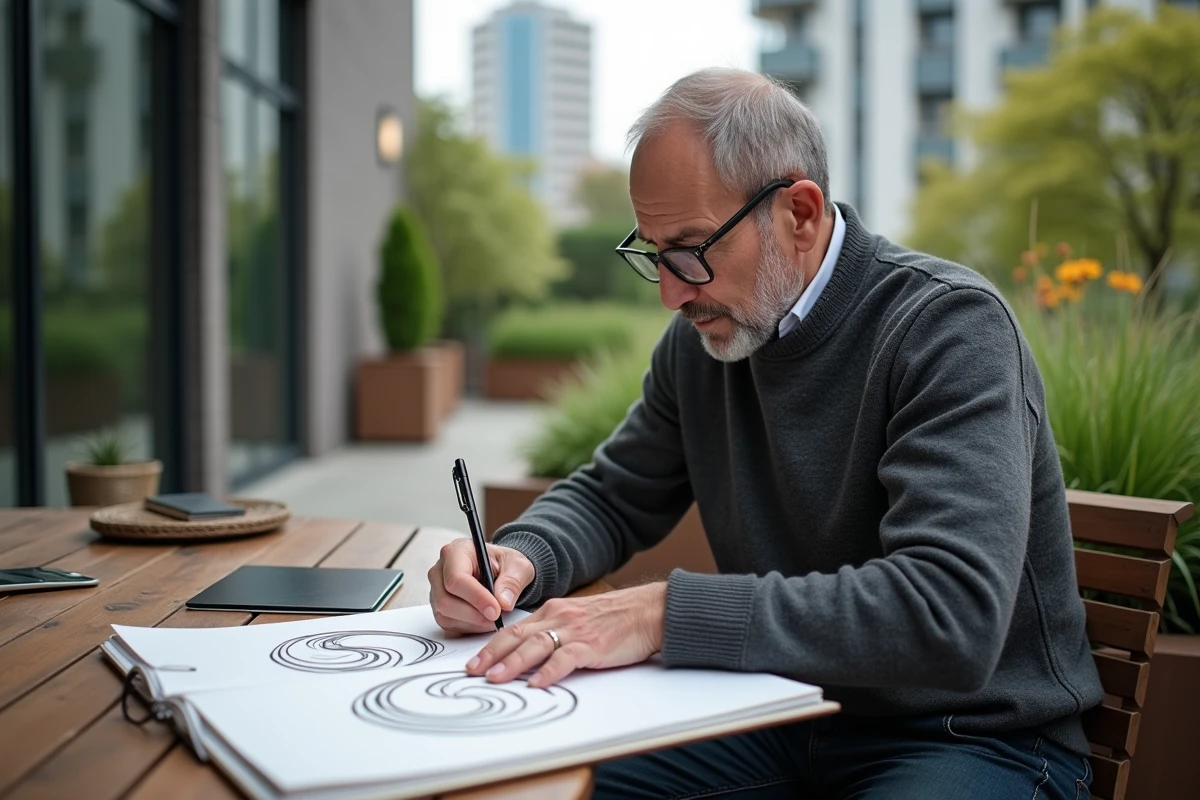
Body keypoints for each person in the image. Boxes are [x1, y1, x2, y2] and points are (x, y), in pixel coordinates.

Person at [428, 67, 1102, 799]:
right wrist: (519, 558)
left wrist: (662, 612)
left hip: (972, 739)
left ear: (800, 213)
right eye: (653, 254)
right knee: (530, 778)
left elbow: (947, 613)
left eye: (688, 250)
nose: (669, 292)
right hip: (783, 714)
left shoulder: (948, 329)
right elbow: (614, 494)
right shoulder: (703, 344)